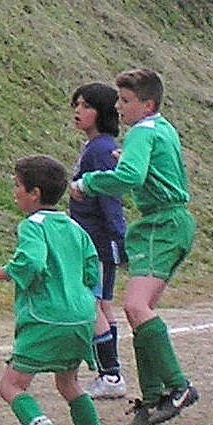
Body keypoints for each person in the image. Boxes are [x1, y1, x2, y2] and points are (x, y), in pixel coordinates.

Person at [0, 154, 121, 425]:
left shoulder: (32, 226)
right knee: (69, 383)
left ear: (35, 193)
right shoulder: (75, 227)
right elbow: (90, 270)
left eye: (18, 185)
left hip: (46, 318)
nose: (14, 191)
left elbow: (31, 262)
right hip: (81, 317)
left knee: (11, 385)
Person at [71, 68, 198, 425]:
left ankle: (178, 387)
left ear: (148, 105)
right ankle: (155, 394)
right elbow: (150, 167)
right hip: (172, 222)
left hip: (161, 223)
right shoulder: (162, 128)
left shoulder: (142, 131)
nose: (119, 107)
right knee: (139, 312)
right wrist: (127, 158)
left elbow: (131, 177)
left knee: (136, 307)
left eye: (126, 101)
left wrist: (88, 183)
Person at [68, 83, 128, 399]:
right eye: (77, 105)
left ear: (103, 112)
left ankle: (111, 375)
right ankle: (110, 373)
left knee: (92, 305)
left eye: (87, 106)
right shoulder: (94, 147)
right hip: (92, 239)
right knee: (102, 304)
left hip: (98, 242)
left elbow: (110, 197)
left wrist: (117, 238)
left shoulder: (102, 150)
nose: (78, 111)